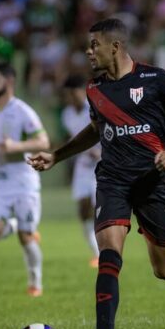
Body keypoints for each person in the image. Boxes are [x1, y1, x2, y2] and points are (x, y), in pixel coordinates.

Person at [28, 18, 165, 329]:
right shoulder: (95, 90)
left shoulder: (156, 80)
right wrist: (56, 156)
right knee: (109, 256)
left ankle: (152, 235)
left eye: (94, 45)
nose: (88, 51)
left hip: (153, 181)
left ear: (116, 46)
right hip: (112, 181)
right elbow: (96, 130)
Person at [0, 63, 50, 297]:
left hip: (24, 182)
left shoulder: (23, 111)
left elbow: (43, 142)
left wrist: (17, 146)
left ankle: (36, 283)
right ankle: (14, 224)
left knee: (26, 238)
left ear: (9, 82)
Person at [60, 75, 101, 267]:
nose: (69, 98)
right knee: (83, 210)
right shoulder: (66, 114)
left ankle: (106, 251)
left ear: (80, 92)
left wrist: (100, 153)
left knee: (97, 209)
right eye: (66, 95)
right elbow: (73, 139)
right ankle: (97, 253)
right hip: (82, 166)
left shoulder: (94, 108)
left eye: (71, 94)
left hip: (102, 164)